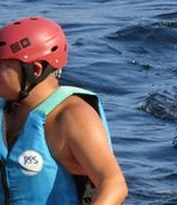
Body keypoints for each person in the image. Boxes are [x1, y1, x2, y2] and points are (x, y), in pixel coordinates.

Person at [0, 16, 128, 205]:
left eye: (1, 65)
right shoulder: (6, 109)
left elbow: (114, 185)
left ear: (35, 70)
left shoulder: (72, 116)